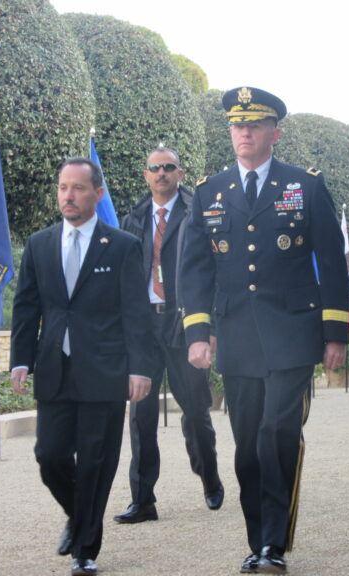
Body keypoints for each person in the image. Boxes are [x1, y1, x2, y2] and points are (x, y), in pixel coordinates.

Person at [181, 86, 349, 574]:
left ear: (275, 132)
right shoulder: (210, 192)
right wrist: (198, 332)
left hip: (293, 335)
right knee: (246, 449)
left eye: (254, 125)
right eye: (237, 125)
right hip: (237, 339)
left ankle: (273, 545)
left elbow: (331, 264)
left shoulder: (306, 186)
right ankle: (257, 542)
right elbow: (194, 270)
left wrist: (335, 332)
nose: (245, 133)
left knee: (277, 434)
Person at [10, 157, 153, 576]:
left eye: (77, 188)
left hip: (105, 370)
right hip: (54, 366)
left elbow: (136, 313)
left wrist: (140, 368)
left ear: (98, 194)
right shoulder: (39, 244)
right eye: (62, 188)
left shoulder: (122, 245)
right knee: (49, 455)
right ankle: (79, 514)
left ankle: (85, 550)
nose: (68, 196)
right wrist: (21, 359)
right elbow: (26, 308)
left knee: (95, 461)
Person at [115, 147, 223, 524]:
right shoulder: (134, 218)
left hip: (184, 322)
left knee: (195, 410)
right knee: (140, 415)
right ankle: (143, 499)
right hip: (144, 326)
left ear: (180, 173)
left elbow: (212, 272)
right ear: (146, 175)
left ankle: (209, 476)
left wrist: (208, 329)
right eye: (154, 168)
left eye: (168, 167)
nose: (161, 173)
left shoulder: (198, 213)